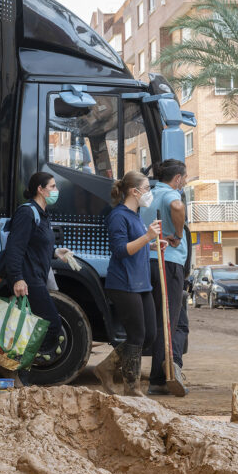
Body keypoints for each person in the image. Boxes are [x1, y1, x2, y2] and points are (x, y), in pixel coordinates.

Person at [94, 170, 161, 397]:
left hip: (141, 283)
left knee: (149, 335)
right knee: (136, 335)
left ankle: (106, 367)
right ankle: (132, 386)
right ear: (134, 191)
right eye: (147, 188)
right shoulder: (118, 216)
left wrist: (151, 245)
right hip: (123, 283)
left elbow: (135, 244)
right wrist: (147, 237)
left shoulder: (135, 215)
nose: (149, 193)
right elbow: (121, 250)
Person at [2, 172, 76, 375]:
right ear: (40, 190)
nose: (56, 190)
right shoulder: (27, 213)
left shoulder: (42, 214)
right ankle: (15, 366)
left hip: (37, 278)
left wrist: (55, 253)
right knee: (52, 325)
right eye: (52, 187)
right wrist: (17, 278)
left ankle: (18, 372)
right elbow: (15, 248)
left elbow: (35, 246)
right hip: (28, 279)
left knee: (29, 326)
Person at [140, 159, 188, 397]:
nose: (185, 182)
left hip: (147, 260)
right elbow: (177, 206)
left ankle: (168, 368)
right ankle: (159, 380)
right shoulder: (170, 194)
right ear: (177, 178)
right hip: (168, 262)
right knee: (167, 321)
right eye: (184, 178)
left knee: (163, 320)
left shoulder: (149, 195)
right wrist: (178, 234)